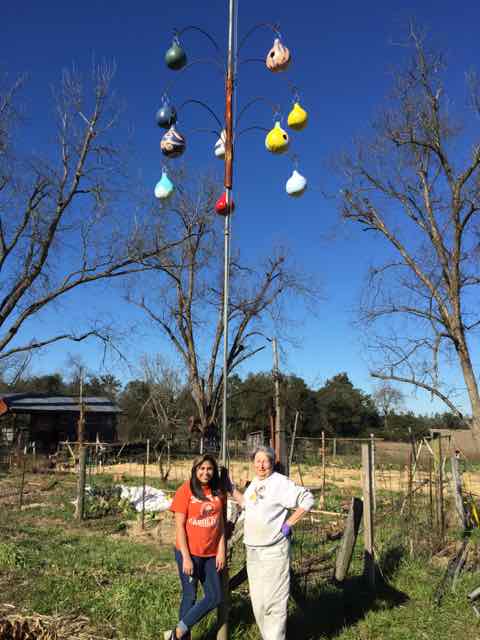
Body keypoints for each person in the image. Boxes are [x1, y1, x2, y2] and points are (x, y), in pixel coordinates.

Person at [231, 446, 314, 640]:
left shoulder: (280, 483)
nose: (261, 465)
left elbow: (307, 498)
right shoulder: (255, 484)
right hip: (253, 550)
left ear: (272, 463)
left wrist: (289, 523)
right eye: (257, 461)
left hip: (273, 551)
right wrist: (232, 490)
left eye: (265, 461)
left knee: (274, 601)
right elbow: (247, 505)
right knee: (259, 602)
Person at [164, 454, 226, 640]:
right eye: (201, 468)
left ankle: (177, 631)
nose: (205, 472)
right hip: (189, 553)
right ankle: (183, 638)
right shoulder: (185, 490)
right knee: (190, 596)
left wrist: (221, 550)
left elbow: (221, 524)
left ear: (214, 471)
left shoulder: (218, 491)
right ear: (195, 470)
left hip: (211, 554)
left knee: (215, 597)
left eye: (209, 469)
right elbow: (180, 528)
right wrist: (186, 557)